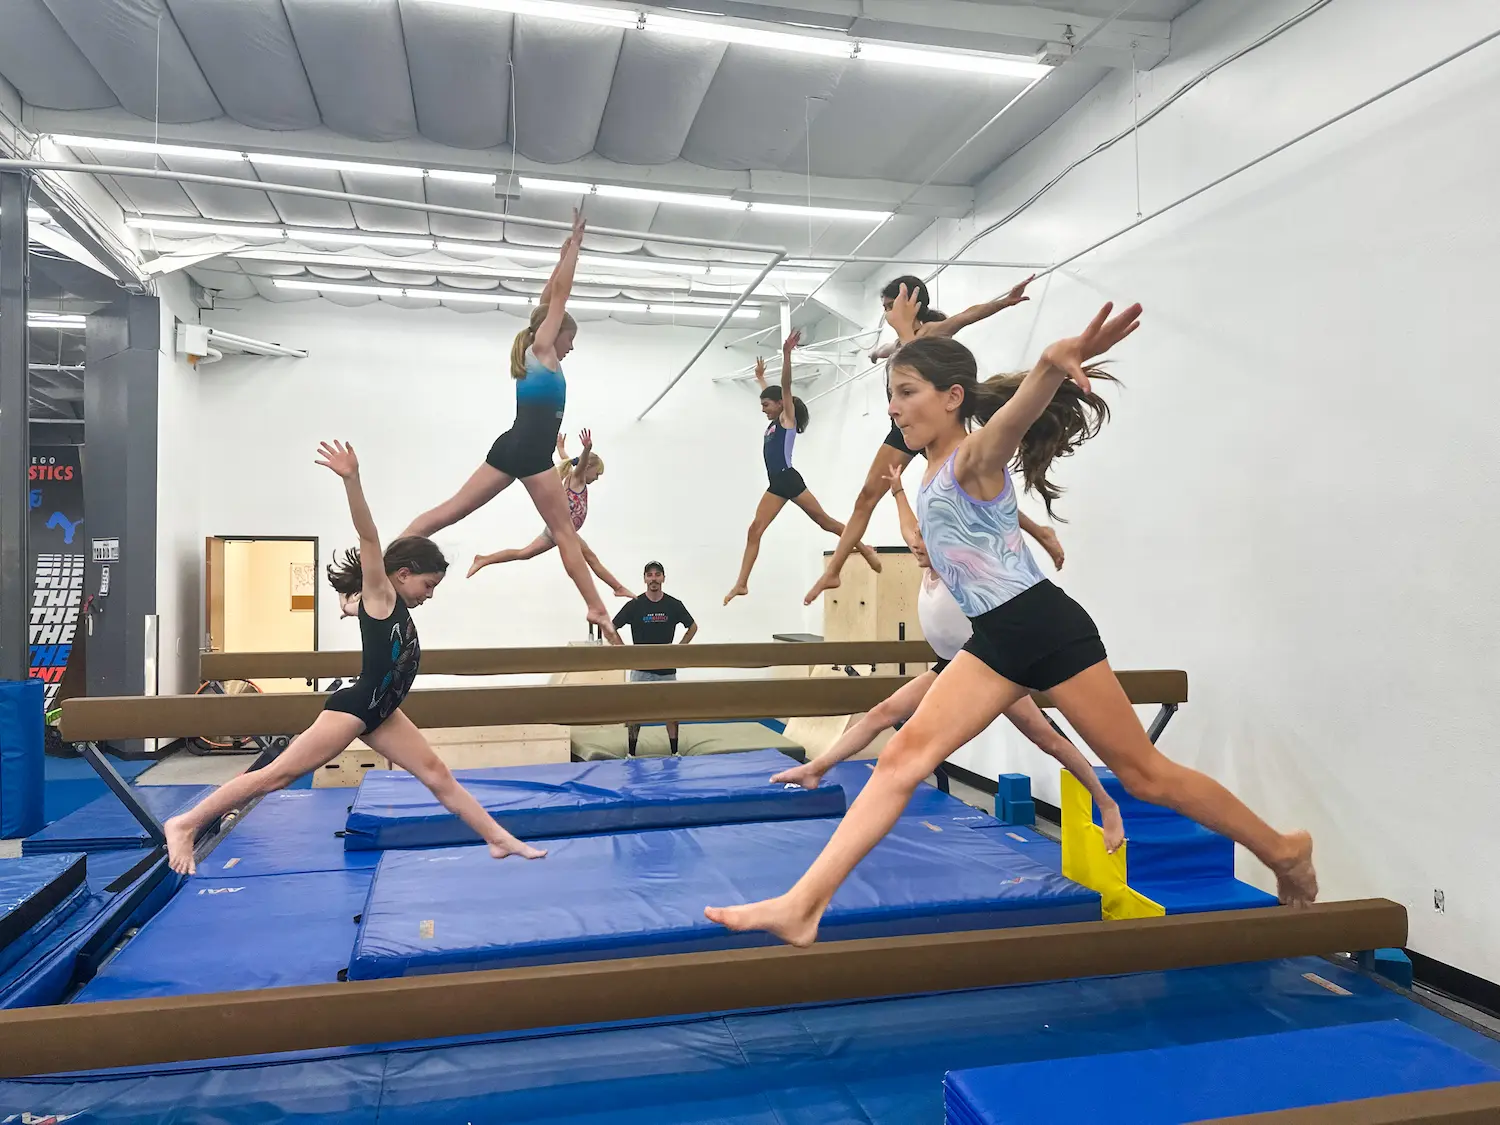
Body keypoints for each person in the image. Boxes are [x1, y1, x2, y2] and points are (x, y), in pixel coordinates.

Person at [706, 302, 1317, 947]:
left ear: (952, 399)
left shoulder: (974, 456)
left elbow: (1013, 416)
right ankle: (804, 905)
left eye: (906, 393)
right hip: (997, 638)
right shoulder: (930, 472)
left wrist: (1052, 365)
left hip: (1044, 626)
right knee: (903, 759)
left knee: (1144, 776)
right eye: (891, 395)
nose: (894, 407)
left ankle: (1283, 850)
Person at [162, 440, 546, 876]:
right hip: (357, 707)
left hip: (382, 710)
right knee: (279, 775)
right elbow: (369, 536)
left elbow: (363, 604)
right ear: (402, 575)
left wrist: (349, 606)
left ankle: (498, 839)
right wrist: (352, 479)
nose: (430, 594)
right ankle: (186, 823)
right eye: (428, 585)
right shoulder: (382, 594)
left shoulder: (382, 601)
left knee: (438, 774)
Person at [771, 473, 1126, 853]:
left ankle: (1107, 804)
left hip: (994, 667)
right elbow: (911, 526)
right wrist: (898, 489)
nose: (916, 547)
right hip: (951, 666)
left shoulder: (959, 571)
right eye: (915, 542)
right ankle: (816, 768)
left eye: (924, 542)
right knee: (881, 712)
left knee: (1048, 740)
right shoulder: (924, 564)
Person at [399, 209, 621, 643]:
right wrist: (576, 249)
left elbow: (548, 299)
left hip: (513, 446)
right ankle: (595, 605)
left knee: (448, 511)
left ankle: (389, 556)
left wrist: (561, 255)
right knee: (564, 534)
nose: (571, 347)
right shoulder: (543, 349)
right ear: (557, 334)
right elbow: (558, 299)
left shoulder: (536, 343)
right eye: (570, 339)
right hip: (531, 454)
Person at [803, 273, 1035, 607]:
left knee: (969, 490)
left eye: (890, 305)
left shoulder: (929, 333)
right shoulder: (902, 340)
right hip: (904, 427)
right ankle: (835, 569)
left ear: (913, 303)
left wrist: (1005, 301)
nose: (886, 313)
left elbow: (967, 315)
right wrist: (876, 353)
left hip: (932, 423)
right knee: (867, 496)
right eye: (883, 307)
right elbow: (890, 349)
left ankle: (1036, 532)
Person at [725, 329, 881, 605]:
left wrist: (786, 356)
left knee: (826, 522)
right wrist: (761, 379)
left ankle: (865, 550)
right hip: (777, 485)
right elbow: (772, 392)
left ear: (779, 405)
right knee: (754, 530)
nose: (762, 409)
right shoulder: (774, 420)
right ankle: (741, 584)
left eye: (765, 405)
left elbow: (784, 388)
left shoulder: (786, 419)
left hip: (789, 479)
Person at [466, 429, 633, 598]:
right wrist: (587, 449)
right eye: (597, 473)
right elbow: (581, 464)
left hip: (555, 529)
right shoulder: (578, 478)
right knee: (591, 558)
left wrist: (561, 447)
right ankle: (617, 587)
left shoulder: (570, 474)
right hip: (564, 530)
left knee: (524, 553)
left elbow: (567, 460)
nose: (596, 478)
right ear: (588, 468)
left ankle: (484, 559)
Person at [612, 561, 697, 756]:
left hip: (667, 669)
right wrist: (622, 649)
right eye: (649, 575)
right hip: (640, 669)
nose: (653, 579)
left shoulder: (674, 605)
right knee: (635, 712)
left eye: (657, 575)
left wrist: (680, 649)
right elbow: (611, 626)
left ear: (663, 578)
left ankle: (674, 751)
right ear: (644, 579)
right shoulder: (635, 604)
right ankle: (631, 753)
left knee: (671, 712)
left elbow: (692, 627)